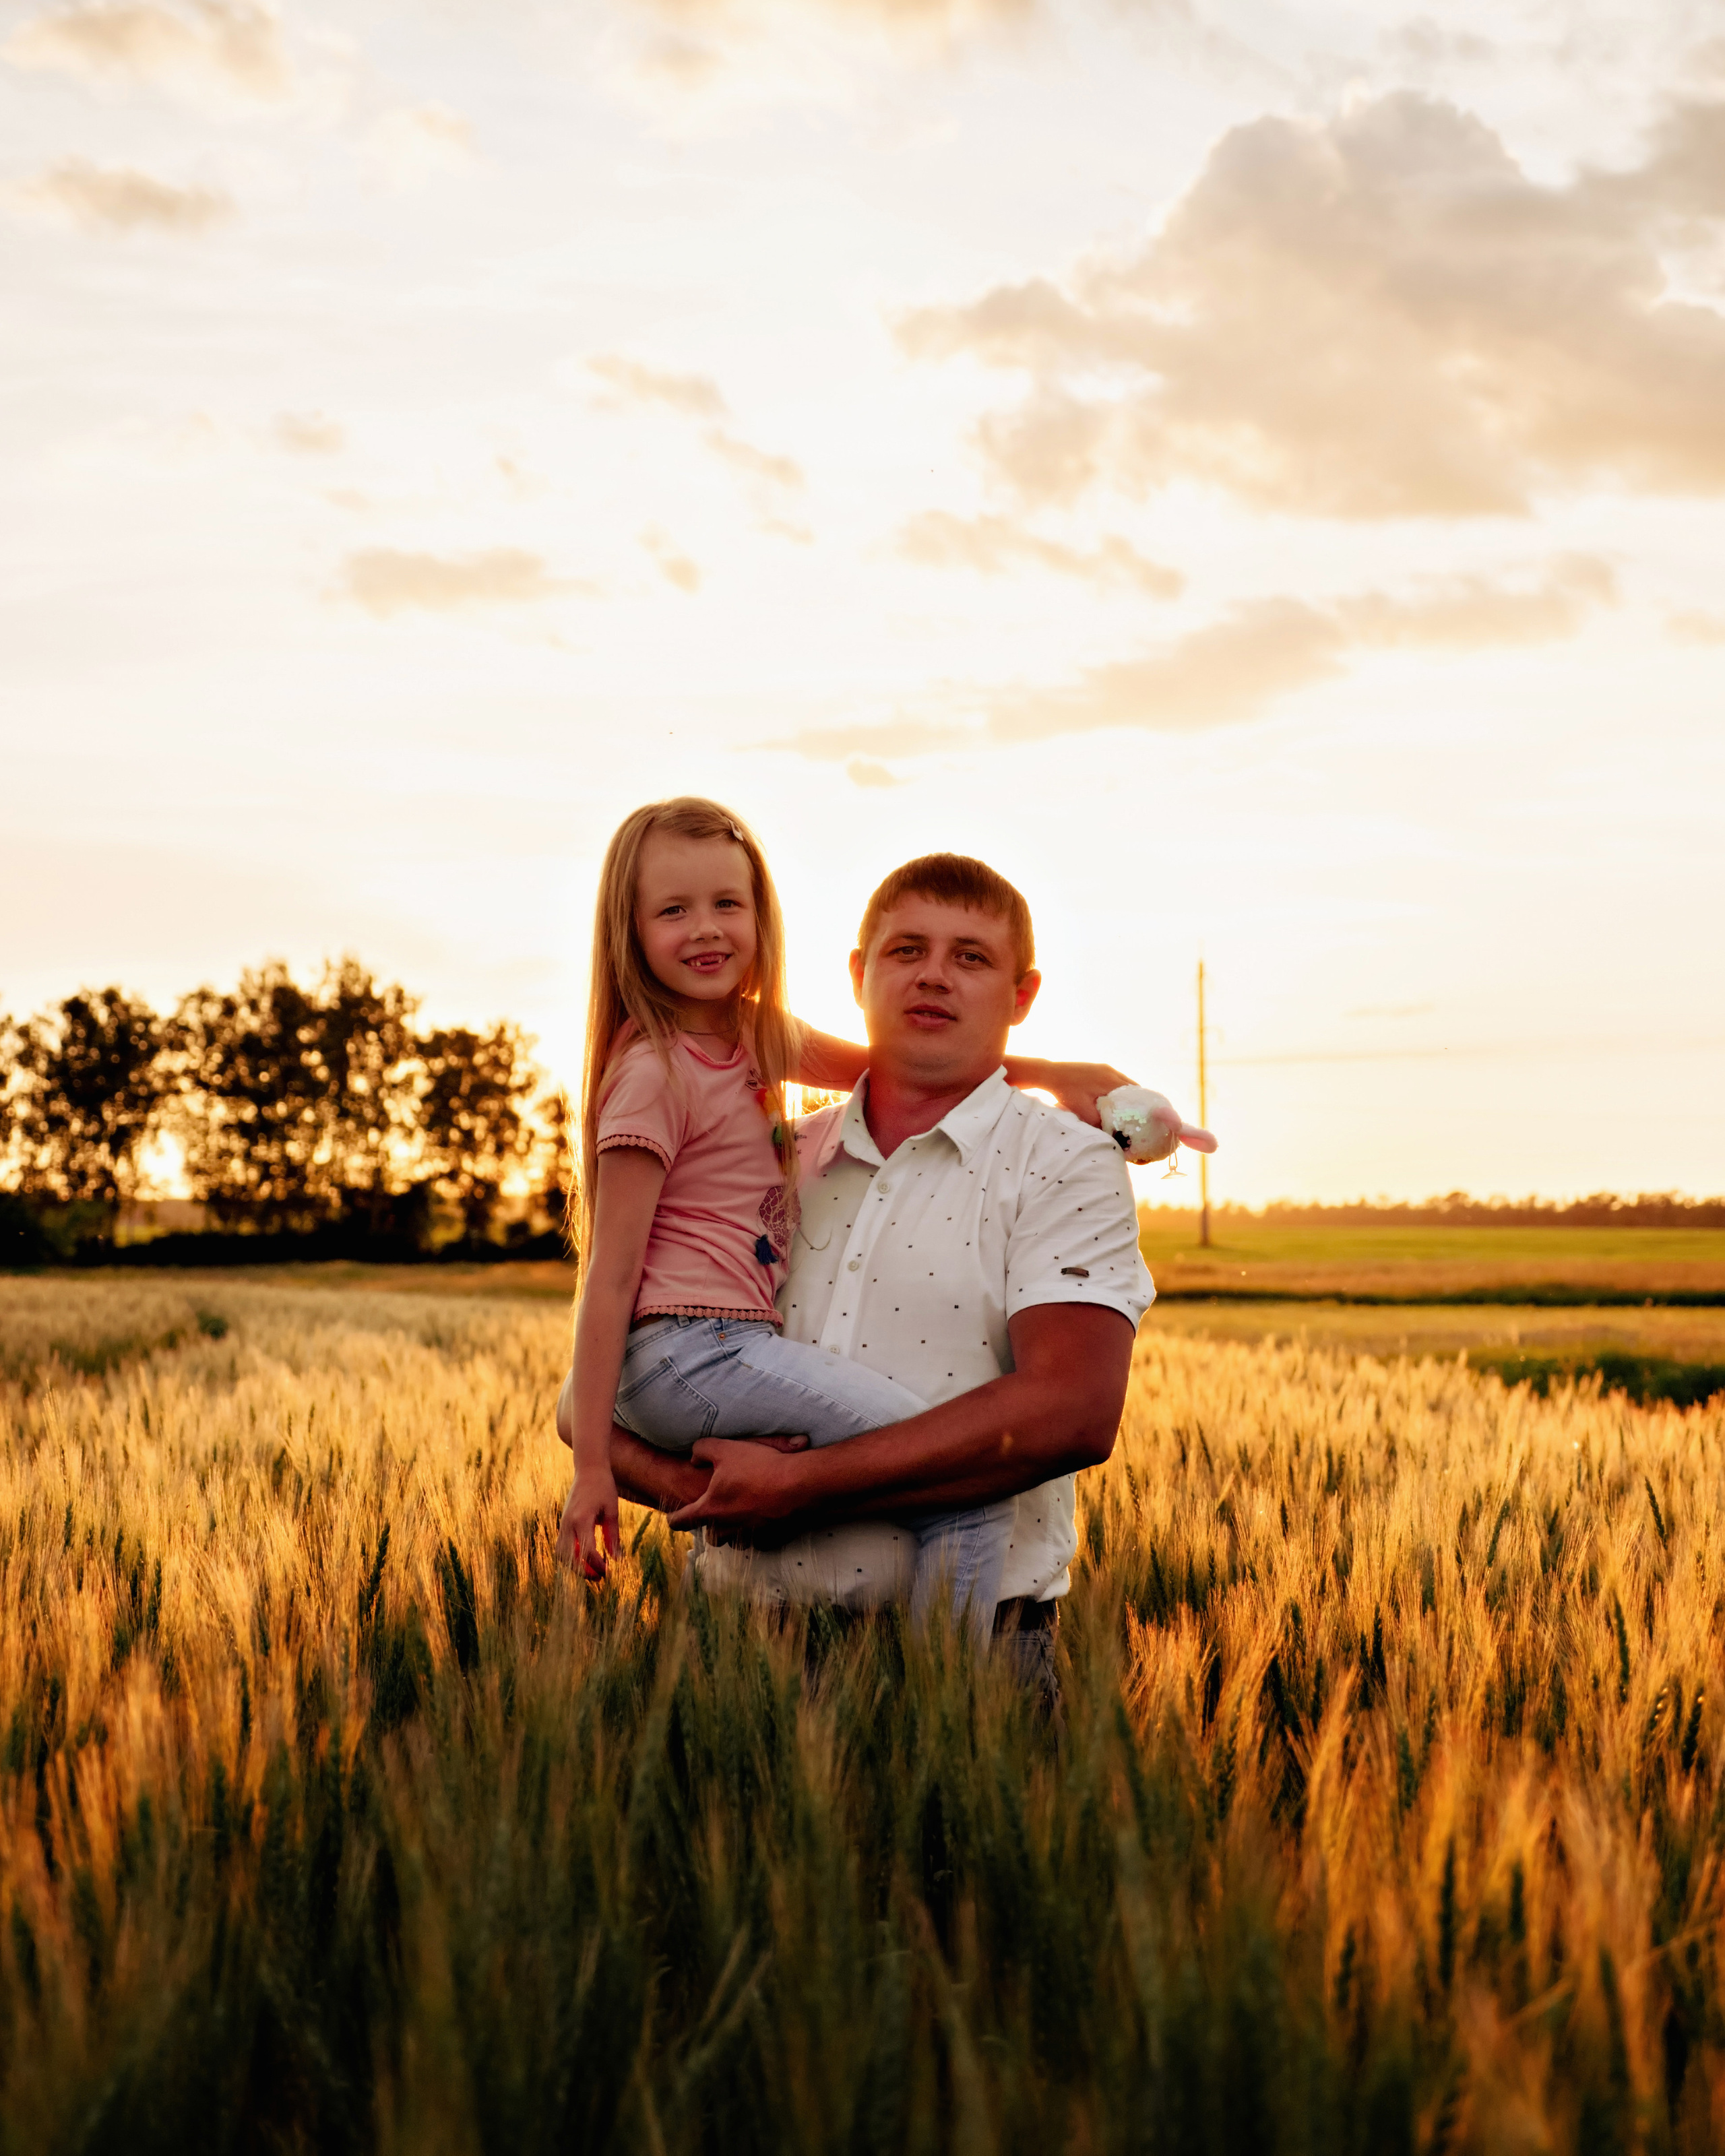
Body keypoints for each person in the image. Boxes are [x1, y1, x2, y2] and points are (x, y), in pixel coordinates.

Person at [553, 800, 1138, 1639]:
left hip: (977, 1663)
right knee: (971, 1503)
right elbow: (594, 1355)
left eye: (970, 957)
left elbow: (1074, 1412)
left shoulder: (1058, 1158)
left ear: (1021, 994)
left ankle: (947, 1689)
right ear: (859, 973)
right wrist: (666, 1484)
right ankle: (948, 1681)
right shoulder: (756, 1135)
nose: (932, 976)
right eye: (907, 950)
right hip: (744, 1635)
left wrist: (1044, 1071)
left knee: (979, 1501)